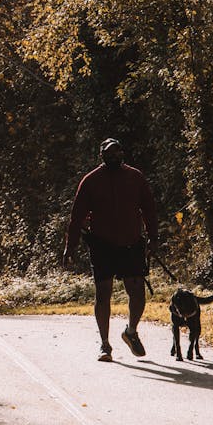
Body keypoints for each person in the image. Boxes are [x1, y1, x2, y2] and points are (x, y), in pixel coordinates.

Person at [63, 138, 158, 362]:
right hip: (102, 244)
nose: (114, 156)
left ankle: (131, 331)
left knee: (137, 292)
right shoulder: (91, 181)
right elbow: (76, 217)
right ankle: (105, 345)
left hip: (132, 242)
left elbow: (149, 209)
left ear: (122, 153)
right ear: (102, 156)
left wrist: (153, 239)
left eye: (117, 152)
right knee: (103, 293)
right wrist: (71, 246)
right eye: (109, 153)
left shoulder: (135, 177)